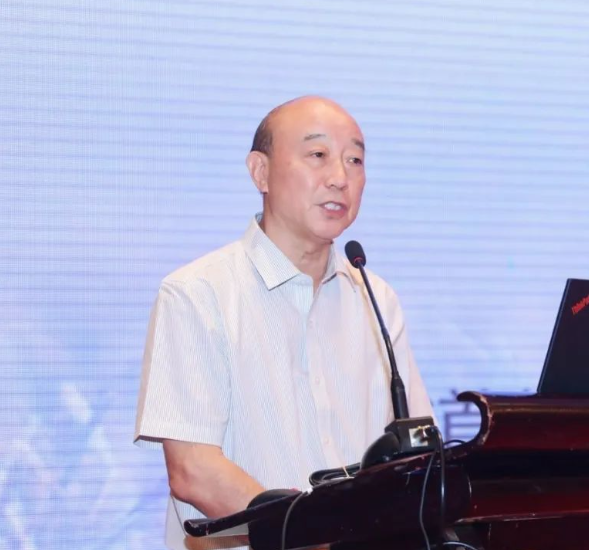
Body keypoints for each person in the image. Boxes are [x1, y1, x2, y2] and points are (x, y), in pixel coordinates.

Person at [134, 96, 434, 550]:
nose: (340, 177)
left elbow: (417, 453)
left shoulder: (376, 299)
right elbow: (193, 470)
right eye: (318, 155)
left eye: (354, 160)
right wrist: (315, 538)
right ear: (260, 172)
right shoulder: (198, 293)